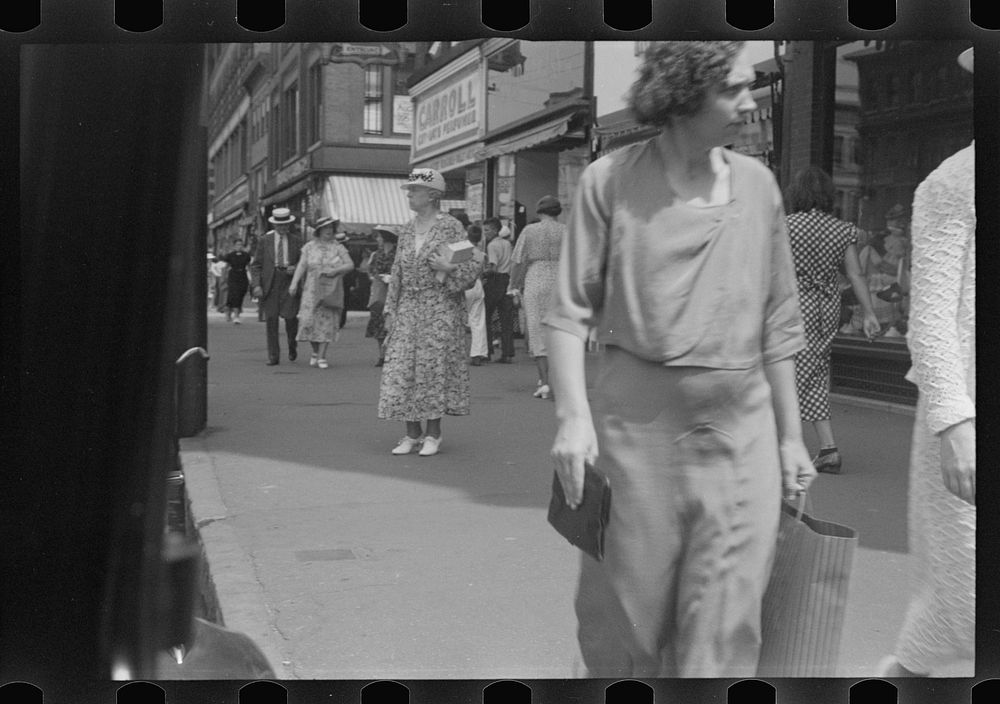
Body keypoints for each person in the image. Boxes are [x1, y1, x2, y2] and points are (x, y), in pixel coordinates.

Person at [543, 41, 816, 678]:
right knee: (626, 627)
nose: (750, 104)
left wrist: (791, 436)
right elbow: (567, 311)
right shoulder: (608, 181)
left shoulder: (759, 187)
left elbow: (778, 321)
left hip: (739, 435)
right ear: (683, 96)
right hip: (637, 437)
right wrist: (572, 418)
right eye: (733, 90)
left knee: (724, 627)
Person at [878, 48, 975, 680]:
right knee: (963, 598)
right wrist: (953, 425)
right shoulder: (951, 183)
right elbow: (931, 320)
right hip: (966, 416)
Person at [377, 169, 482, 457]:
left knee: (432, 368)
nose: (409, 194)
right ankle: (411, 433)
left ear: (433, 195)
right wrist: (390, 309)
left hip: (440, 306)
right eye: (409, 190)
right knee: (402, 368)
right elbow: (397, 270)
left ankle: (433, 434)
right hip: (409, 307)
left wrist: (449, 270)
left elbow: (473, 265)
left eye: (414, 190)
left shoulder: (449, 226)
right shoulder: (408, 228)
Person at [784, 167, 881, 473]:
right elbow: (855, 274)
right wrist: (868, 312)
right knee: (813, 373)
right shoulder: (842, 229)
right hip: (826, 309)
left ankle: (779, 444)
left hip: (793, 306)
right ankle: (828, 450)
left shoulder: (786, 226)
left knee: (787, 373)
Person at [508, 195, 565, 399]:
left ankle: (544, 382)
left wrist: (513, 285)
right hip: (561, 279)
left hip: (536, 276)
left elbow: (518, 260)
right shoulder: (566, 231)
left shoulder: (530, 230)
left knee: (537, 329)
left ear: (539, 211)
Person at [288, 216, 354, 369]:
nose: (329, 231)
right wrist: (294, 283)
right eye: (325, 228)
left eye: (331, 228)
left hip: (330, 288)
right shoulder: (309, 247)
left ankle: (322, 356)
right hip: (311, 289)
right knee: (307, 321)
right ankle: (315, 351)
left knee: (326, 322)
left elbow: (350, 265)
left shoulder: (338, 247)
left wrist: (335, 270)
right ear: (319, 231)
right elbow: (302, 265)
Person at [250, 207, 303, 365]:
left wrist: (296, 268)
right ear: (274, 225)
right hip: (270, 284)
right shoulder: (264, 241)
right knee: (271, 319)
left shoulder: (296, 241)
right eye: (280, 226)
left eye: (286, 225)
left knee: (291, 317)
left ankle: (292, 344)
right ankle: (273, 356)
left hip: (289, 282)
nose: (283, 228)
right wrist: (256, 285)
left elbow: (303, 262)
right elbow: (256, 265)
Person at [364, 226, 399, 367]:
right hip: (379, 291)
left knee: (392, 323)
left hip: (394, 292)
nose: (377, 239)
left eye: (379, 236)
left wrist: (391, 278)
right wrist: (375, 277)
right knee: (378, 323)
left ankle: (392, 354)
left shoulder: (398, 254)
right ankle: (382, 355)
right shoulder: (376, 254)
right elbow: (370, 270)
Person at [482, 216, 515, 363]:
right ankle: (507, 353)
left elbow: (493, 267)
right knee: (506, 319)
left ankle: (487, 350)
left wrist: (482, 272)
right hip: (507, 280)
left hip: (495, 281)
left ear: (495, 230)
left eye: (487, 230)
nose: (485, 233)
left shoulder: (492, 246)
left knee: (487, 317)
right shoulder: (507, 244)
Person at [464, 224, 489, 365]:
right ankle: (478, 353)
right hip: (477, 285)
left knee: (459, 319)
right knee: (478, 321)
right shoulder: (481, 254)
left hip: (464, 285)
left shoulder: (461, 251)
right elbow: (483, 272)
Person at [222, 239, 252, 324]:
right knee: (234, 294)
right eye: (237, 244)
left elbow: (249, 267)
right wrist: (224, 277)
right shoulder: (230, 255)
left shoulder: (246, 255)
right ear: (234, 246)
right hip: (233, 275)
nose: (239, 246)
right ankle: (236, 315)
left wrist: (252, 278)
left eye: (241, 244)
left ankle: (229, 309)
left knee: (241, 293)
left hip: (243, 275)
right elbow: (226, 267)